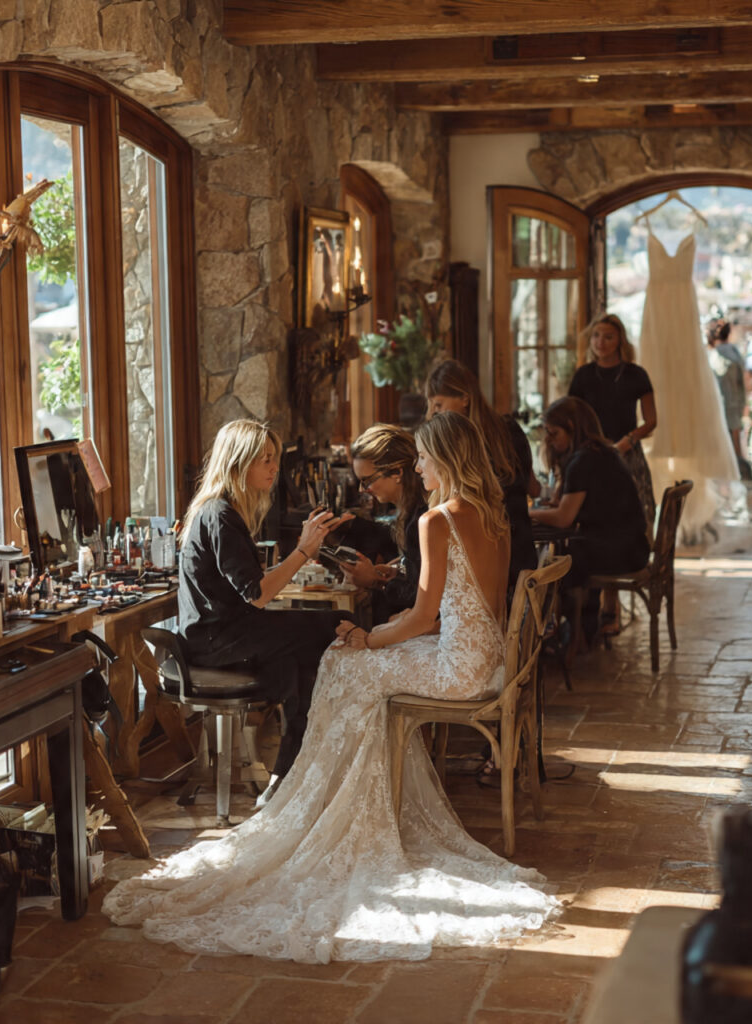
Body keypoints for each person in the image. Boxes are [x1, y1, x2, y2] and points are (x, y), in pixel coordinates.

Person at [103, 412, 560, 962]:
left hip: (453, 666)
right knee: (343, 659)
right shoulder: (495, 515)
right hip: (486, 659)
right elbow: (454, 612)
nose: (418, 467)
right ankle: (324, 793)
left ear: (445, 461)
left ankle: (326, 803)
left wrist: (369, 640)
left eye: (423, 458)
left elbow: (419, 620)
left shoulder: (436, 520)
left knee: (345, 665)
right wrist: (374, 637)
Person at [175, 419, 349, 804]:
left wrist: (306, 550)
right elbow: (257, 594)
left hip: (221, 634)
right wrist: (303, 551)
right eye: (265, 460)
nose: (274, 468)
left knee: (301, 660)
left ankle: (289, 771)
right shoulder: (220, 515)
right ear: (239, 463)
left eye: (274, 459)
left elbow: (250, 588)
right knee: (331, 625)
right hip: (214, 642)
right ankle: (292, 770)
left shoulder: (220, 510)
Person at [529, 397, 650, 638]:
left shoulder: (583, 460)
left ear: (572, 429)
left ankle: (565, 632)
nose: (550, 441)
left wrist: (528, 512)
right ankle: (581, 630)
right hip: (633, 547)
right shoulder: (601, 452)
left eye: (554, 433)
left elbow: (564, 518)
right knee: (569, 552)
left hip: (620, 553)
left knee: (557, 563)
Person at [425, 359, 538, 590]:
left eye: (438, 405)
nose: (432, 415)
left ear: (465, 398)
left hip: (488, 556)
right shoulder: (510, 428)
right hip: (523, 551)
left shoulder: (462, 443)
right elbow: (533, 487)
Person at [568, 314, 657, 537]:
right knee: (594, 513)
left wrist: (630, 440)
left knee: (637, 510)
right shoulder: (583, 375)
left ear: (620, 340)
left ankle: (638, 554)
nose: (601, 342)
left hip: (626, 451)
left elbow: (651, 421)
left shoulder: (636, 374)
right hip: (592, 453)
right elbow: (571, 415)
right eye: (596, 336)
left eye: (608, 337)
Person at [343, 423, 428, 623]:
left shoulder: (422, 519)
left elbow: (421, 597)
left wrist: (374, 581)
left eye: (367, 480)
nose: (363, 490)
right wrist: (393, 571)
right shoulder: (412, 510)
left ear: (397, 472)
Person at [705, 318, 751, 479]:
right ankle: (738, 472)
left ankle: (734, 473)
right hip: (735, 402)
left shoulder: (715, 355)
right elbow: (742, 381)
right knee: (736, 438)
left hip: (723, 403)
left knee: (728, 440)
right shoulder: (734, 352)